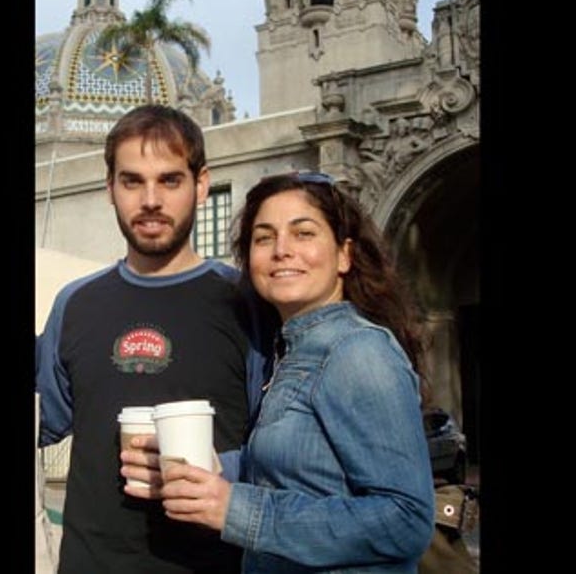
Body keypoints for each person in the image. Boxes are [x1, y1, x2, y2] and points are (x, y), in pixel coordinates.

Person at [126, 170, 435, 572]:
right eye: (264, 238)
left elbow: (406, 519)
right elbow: (303, 473)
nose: (281, 250)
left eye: (304, 233)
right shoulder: (292, 349)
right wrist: (214, 465)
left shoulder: (358, 352)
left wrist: (236, 510)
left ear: (345, 255)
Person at [35, 105, 273, 573]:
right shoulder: (75, 304)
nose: (150, 200)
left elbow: (283, 450)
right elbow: (46, 422)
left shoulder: (246, 303)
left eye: (169, 180)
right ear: (109, 188)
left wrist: (217, 466)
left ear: (201, 185)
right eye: (131, 181)